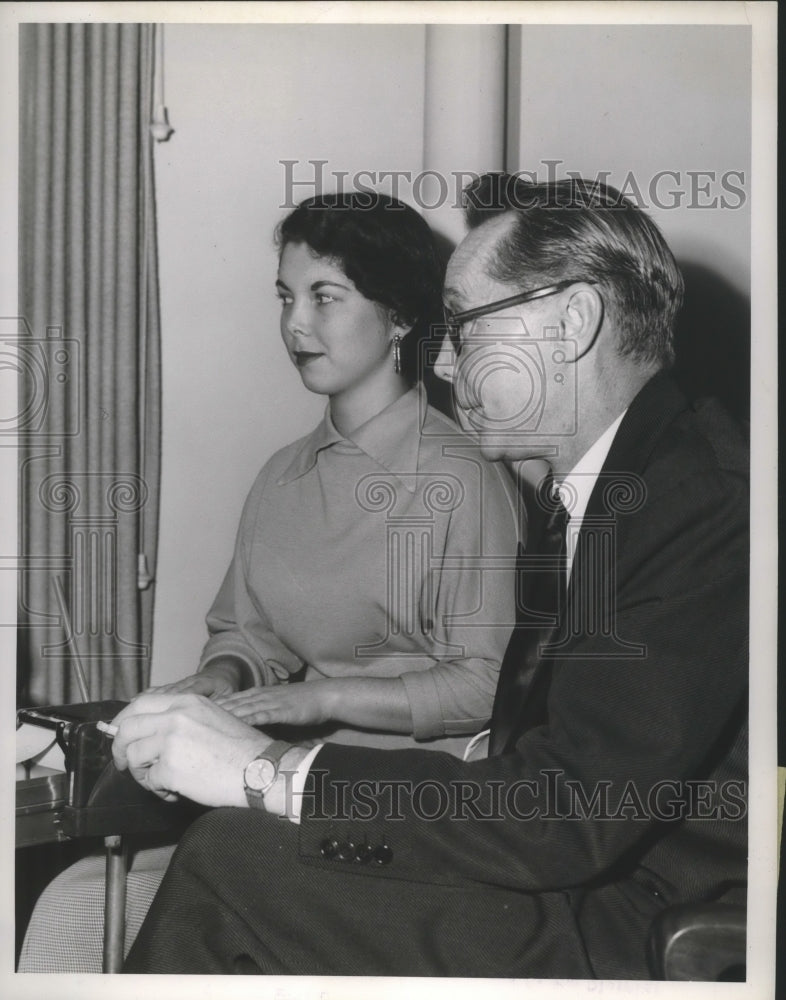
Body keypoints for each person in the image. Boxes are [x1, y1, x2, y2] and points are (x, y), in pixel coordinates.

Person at [114, 173, 748, 980]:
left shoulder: (703, 503)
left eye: (467, 326)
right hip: (593, 876)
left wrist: (264, 768)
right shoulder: (607, 485)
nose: (444, 362)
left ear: (573, 322)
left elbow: (566, 810)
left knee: (235, 865)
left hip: (645, 916)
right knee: (238, 851)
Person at [17, 192, 518, 973]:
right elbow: (251, 632)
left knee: (172, 885)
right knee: (63, 910)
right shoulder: (282, 476)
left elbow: (487, 685)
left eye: (325, 297)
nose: (294, 325)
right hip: (274, 789)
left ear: (398, 318)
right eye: (286, 297)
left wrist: (319, 699)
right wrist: (222, 676)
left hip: (413, 814)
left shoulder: (465, 479)